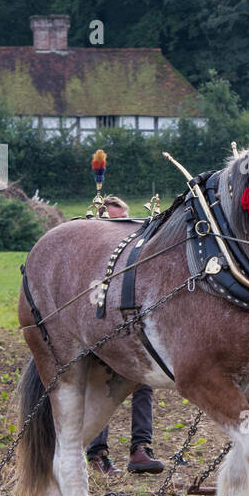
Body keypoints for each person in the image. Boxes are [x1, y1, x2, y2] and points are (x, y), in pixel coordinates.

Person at [86, 194, 165, 477]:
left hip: (130, 330)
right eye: (109, 223)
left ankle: (141, 449)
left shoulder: (134, 256)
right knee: (98, 387)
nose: (116, 230)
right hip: (98, 332)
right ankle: (97, 454)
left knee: (144, 383)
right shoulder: (89, 257)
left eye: (122, 223)